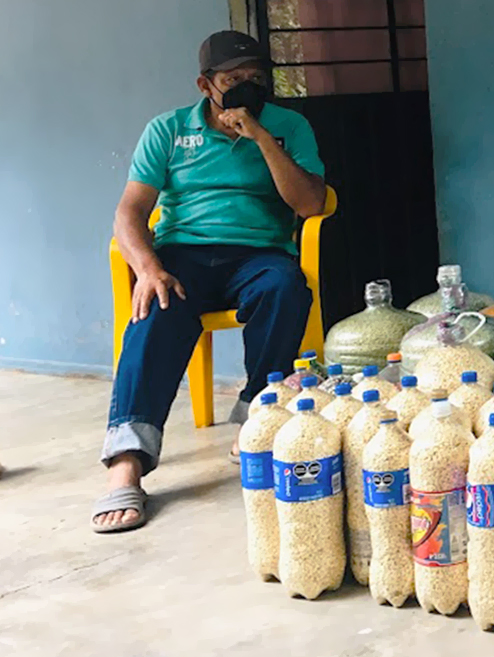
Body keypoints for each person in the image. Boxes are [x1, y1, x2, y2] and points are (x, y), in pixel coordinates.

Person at [92, 31, 327, 533]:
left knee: (284, 288)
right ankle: (126, 462)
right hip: (183, 255)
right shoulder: (169, 130)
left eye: (256, 79)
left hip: (259, 253)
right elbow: (129, 213)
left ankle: (256, 415)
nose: (247, 86)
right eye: (233, 79)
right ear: (206, 84)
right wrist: (149, 269)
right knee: (155, 308)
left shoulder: (289, 126)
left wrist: (261, 137)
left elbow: (309, 205)